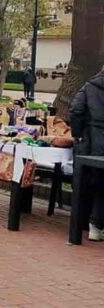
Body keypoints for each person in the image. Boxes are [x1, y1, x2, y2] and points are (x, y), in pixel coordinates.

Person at [70, 66, 104, 241]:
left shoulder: (89, 86)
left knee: (87, 181)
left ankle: (84, 223)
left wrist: (77, 134)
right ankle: (96, 224)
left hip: (90, 140)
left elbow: (76, 109)